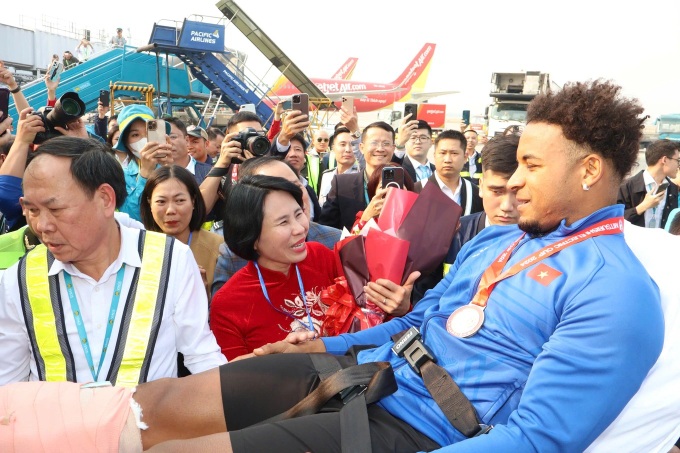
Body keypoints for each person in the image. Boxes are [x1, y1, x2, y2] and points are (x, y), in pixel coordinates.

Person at [132, 80, 663, 452]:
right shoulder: (496, 240)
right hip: (370, 369)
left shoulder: (616, 292)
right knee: (159, 407)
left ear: (590, 170)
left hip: (421, 431)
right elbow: (413, 324)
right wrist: (322, 345)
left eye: (531, 165)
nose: (513, 182)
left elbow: (537, 440)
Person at [0, 137, 226, 386]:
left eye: (55, 210)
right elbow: (8, 381)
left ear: (105, 199)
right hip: (52, 425)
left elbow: (201, 356)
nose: (42, 226)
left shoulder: (171, 260)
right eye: (31, 210)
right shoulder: (17, 280)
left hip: (148, 424)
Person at [210, 175, 416, 361]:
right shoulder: (228, 305)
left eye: (299, 214)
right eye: (283, 222)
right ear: (251, 235)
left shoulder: (320, 256)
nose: (300, 229)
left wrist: (400, 307)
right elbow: (235, 382)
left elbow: (373, 314)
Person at [211, 156, 342, 297]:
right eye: (274, 190)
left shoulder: (335, 241)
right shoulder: (234, 256)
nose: (289, 196)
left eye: (295, 186)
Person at [412, 135, 520, 303]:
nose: (507, 205)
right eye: (497, 191)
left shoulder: (552, 243)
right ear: (482, 186)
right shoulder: (450, 234)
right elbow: (424, 298)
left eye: (517, 192)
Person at [140, 165, 223, 298]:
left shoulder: (219, 249)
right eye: (161, 201)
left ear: (193, 201)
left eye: (179, 201)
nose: (170, 210)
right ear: (149, 203)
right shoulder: (139, 249)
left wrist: (204, 296)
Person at [319, 121, 396, 231]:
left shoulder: (403, 185)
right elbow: (326, 230)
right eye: (374, 143)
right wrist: (364, 220)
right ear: (361, 147)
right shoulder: (341, 185)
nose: (380, 148)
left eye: (386, 144)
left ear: (393, 148)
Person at [113, 104, 173, 221]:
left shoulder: (172, 166)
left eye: (149, 132)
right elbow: (133, 216)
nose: (145, 140)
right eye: (135, 135)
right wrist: (145, 173)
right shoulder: (120, 176)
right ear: (126, 143)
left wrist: (171, 172)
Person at [414, 129, 483, 216]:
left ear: (465, 157)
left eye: (454, 153)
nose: (448, 160)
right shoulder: (416, 190)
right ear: (434, 155)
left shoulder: (475, 193)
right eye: (442, 153)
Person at [617, 139, 679, 228]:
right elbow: (614, 221)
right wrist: (643, 206)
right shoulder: (627, 186)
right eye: (677, 160)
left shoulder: (672, 188)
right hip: (633, 241)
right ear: (664, 160)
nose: (678, 165)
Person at [351, 162, 415, 233]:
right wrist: (365, 219)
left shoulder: (419, 218)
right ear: (374, 191)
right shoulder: (364, 217)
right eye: (383, 186)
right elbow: (353, 242)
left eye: (396, 186)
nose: (391, 190)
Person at [283, 132, 322, 220]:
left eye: (298, 149)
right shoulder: (273, 189)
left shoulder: (308, 189)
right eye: (287, 149)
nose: (293, 154)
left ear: (305, 155)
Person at [318, 126, 360, 206]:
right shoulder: (326, 176)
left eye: (352, 145)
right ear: (333, 148)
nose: (348, 149)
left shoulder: (361, 176)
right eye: (342, 144)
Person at [166, 117, 212, 185]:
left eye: (173, 137)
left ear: (186, 140)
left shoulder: (210, 173)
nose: (168, 142)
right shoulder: (150, 173)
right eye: (162, 138)